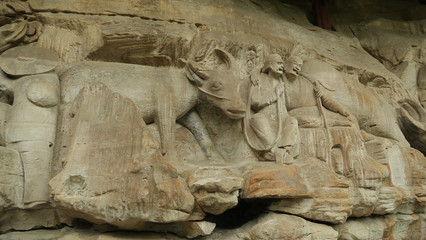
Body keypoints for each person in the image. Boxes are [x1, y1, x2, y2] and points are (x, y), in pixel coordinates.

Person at [243, 54, 299, 164]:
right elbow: (255, 101)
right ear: (269, 65)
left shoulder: (281, 81)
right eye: (278, 63)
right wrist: (274, 95)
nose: (281, 66)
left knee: (292, 121)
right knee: (257, 119)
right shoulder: (259, 79)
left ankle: (283, 150)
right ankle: (272, 151)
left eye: (282, 64)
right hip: (264, 117)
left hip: (281, 118)